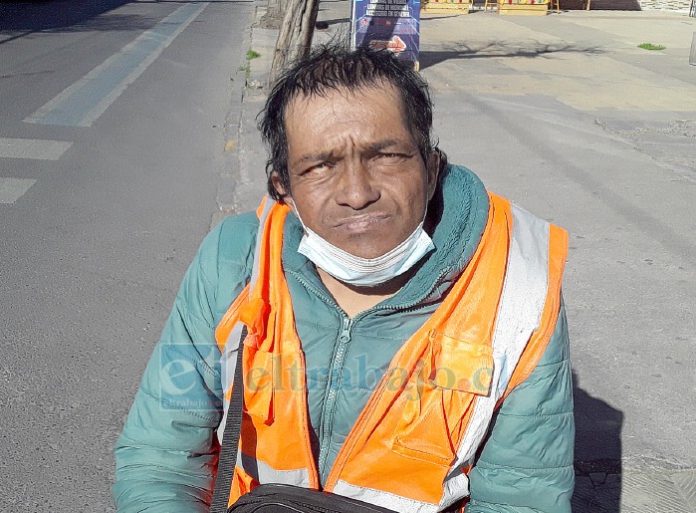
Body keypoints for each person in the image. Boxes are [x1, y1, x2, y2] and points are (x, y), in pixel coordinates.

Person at [113, 47, 574, 513]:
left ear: (432, 169)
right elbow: (161, 459)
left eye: (387, 156)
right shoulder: (233, 261)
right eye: (319, 167)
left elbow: (522, 499)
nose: (357, 193)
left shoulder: (518, 288)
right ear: (283, 190)